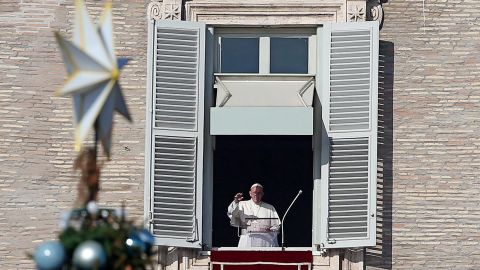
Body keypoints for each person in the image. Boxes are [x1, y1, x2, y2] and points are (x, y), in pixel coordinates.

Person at [227, 183, 281, 247]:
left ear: (262, 194)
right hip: (247, 240)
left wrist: (271, 229)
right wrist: (236, 202)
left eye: (259, 193)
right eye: (254, 192)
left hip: (264, 241)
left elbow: (276, 226)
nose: (256, 194)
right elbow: (231, 214)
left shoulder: (270, 207)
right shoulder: (242, 204)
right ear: (250, 193)